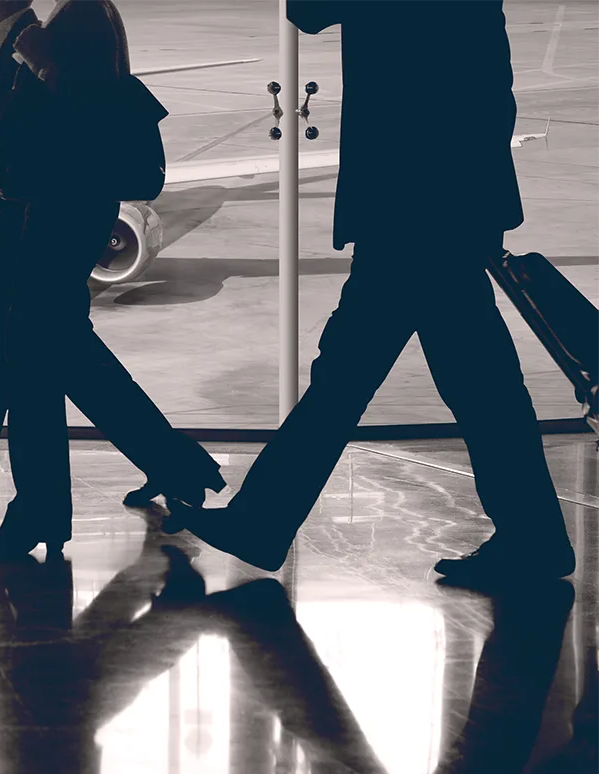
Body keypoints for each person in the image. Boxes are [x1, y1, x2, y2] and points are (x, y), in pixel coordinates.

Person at [170, 0, 576, 583]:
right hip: (446, 198)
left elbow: (307, 10)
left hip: (410, 202)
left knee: (361, 375)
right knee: (469, 381)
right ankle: (534, 537)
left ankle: (262, 520)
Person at [0, 0, 226, 559]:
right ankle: (166, 470)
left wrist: (42, 74)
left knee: (34, 373)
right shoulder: (66, 25)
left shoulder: (63, 31)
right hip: (42, 223)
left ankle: (41, 509)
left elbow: (65, 129)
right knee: (42, 364)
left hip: (47, 228)